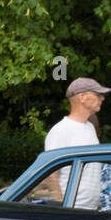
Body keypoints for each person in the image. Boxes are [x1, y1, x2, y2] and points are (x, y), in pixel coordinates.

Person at [43, 77, 109, 209]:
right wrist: (63, 207)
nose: (102, 98)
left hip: (90, 210)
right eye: (98, 94)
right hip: (73, 209)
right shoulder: (61, 130)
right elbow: (50, 174)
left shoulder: (89, 127)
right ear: (82, 97)